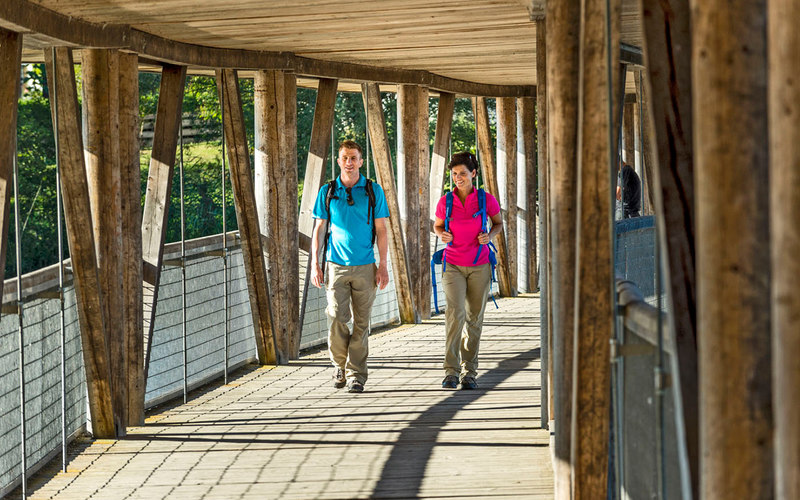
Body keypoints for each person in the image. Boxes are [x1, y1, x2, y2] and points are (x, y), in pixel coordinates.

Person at [310, 140, 390, 393]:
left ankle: (357, 375)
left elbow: (381, 229)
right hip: (335, 265)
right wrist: (315, 264)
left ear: (361, 161)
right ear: (338, 161)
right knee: (337, 318)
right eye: (345, 158)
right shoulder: (328, 191)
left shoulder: (373, 190)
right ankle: (339, 366)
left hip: (366, 266)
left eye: (353, 158)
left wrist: (383, 265)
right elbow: (319, 229)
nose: (349, 162)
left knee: (362, 323)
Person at [433, 152, 503, 390]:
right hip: (452, 264)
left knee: (474, 318)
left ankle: (469, 372)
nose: (458, 178)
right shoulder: (445, 201)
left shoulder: (486, 200)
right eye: (454, 174)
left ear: (473, 173)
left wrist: (489, 236)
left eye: (462, 173)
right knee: (455, 315)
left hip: (480, 265)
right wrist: (442, 234)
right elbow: (437, 226)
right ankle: (450, 372)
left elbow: (498, 223)